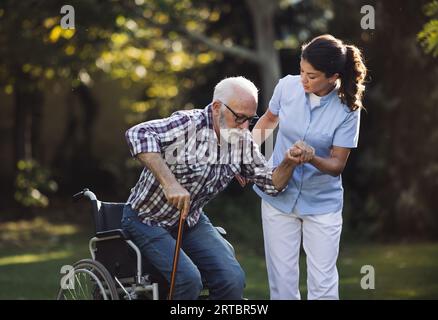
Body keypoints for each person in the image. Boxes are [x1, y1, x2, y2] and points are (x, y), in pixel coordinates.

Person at [122, 76, 303, 300]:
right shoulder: (188, 124)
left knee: (232, 279)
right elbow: (137, 134)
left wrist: (289, 162)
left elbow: (272, 184)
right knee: (188, 280)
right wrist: (170, 183)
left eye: (250, 119)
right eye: (239, 118)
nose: (246, 127)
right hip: (147, 219)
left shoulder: (242, 142)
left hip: (190, 221)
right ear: (217, 107)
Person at [252, 34, 367, 300]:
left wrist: (311, 157)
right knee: (282, 284)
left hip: (321, 204)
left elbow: (337, 164)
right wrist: (246, 158)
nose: (303, 79)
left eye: (312, 76)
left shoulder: (348, 109)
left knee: (323, 285)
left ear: (333, 76)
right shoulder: (287, 87)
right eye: (301, 71)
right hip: (277, 197)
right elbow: (268, 120)